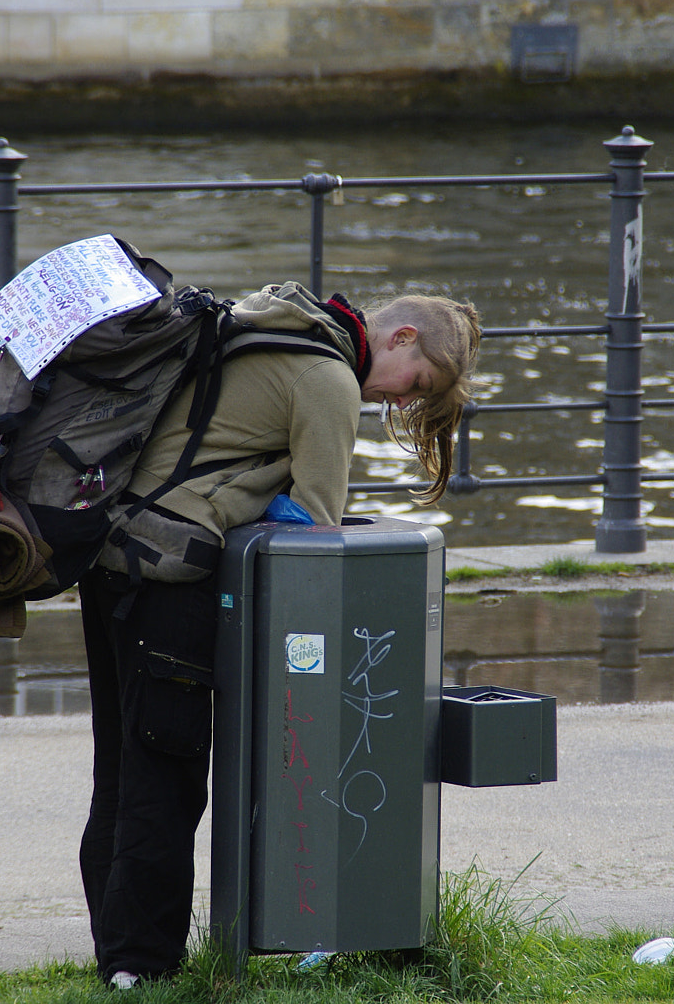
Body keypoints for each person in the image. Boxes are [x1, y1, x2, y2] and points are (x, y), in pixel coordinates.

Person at [73, 281, 481, 988]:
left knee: (121, 765)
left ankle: (117, 956)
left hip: (111, 551)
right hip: (172, 570)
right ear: (401, 338)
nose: (398, 402)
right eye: (411, 385)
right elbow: (316, 528)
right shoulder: (328, 378)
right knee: (165, 777)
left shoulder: (276, 320)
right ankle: (143, 966)